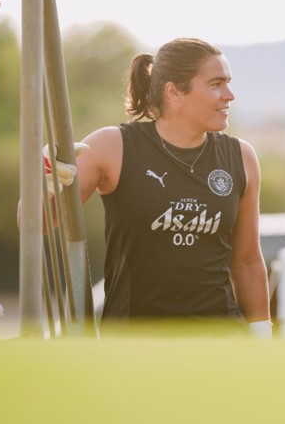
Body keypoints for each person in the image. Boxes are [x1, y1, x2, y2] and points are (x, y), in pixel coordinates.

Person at [43, 37, 271, 337]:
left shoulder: (241, 156)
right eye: (216, 84)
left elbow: (248, 261)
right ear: (174, 91)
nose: (229, 95)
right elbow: (36, 223)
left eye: (228, 83)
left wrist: (262, 331)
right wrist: (45, 178)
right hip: (135, 340)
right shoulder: (112, 146)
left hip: (220, 339)